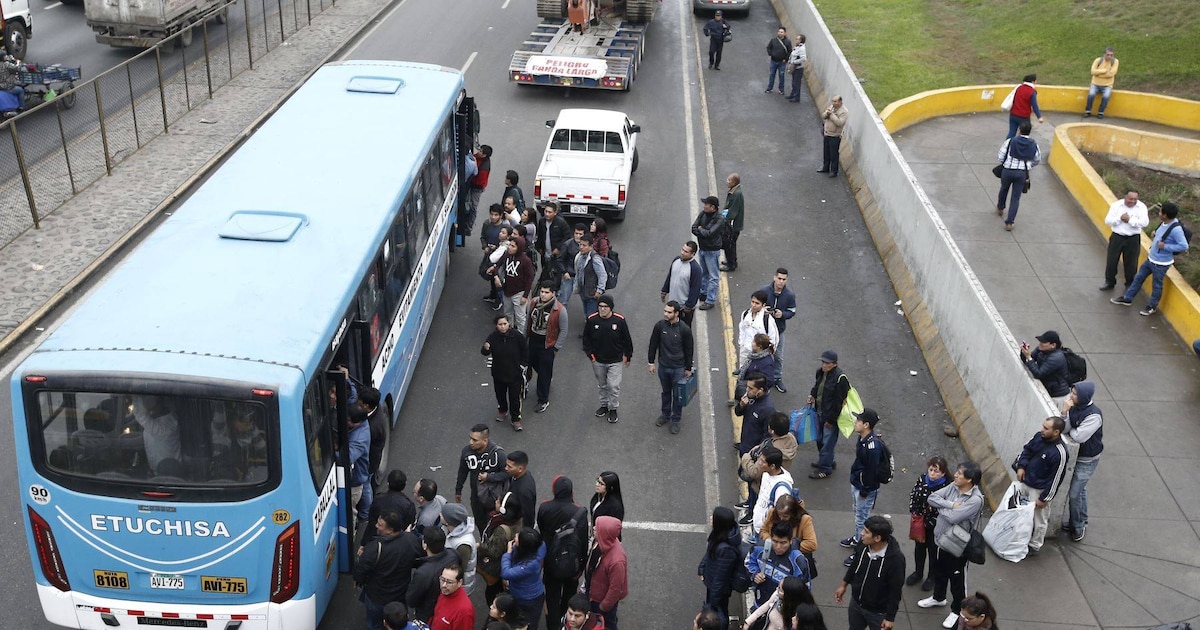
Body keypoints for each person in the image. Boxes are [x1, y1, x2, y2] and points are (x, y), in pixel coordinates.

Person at [920, 462, 985, 629]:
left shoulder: (975, 499)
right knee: (939, 571)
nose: (955, 475)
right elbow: (932, 498)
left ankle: (957, 610)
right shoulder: (953, 487)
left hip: (957, 546)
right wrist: (950, 505)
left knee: (957, 579)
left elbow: (953, 518)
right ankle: (938, 597)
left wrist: (942, 508)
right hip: (940, 540)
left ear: (970, 480)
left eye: (960, 474)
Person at [1111, 201, 1190, 316]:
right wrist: (1156, 234)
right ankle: (1127, 298)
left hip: (1161, 264)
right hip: (1151, 259)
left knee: (1157, 285)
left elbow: (1184, 245)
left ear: (1165, 215)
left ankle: (1151, 306)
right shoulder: (1163, 223)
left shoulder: (1176, 229)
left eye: (1160, 212)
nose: (1159, 213)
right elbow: (1162, 235)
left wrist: (1166, 247)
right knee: (1138, 278)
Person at [355, 510, 425, 630]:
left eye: (380, 525)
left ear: (390, 530)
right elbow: (421, 559)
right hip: (399, 595)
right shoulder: (411, 540)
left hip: (376, 598)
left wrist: (358, 580)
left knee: (373, 625)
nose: (376, 526)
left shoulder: (374, 548)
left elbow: (361, 569)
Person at [834, 515, 905, 630]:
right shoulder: (863, 545)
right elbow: (854, 565)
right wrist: (843, 585)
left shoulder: (896, 560)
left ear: (877, 538)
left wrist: (890, 618)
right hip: (856, 604)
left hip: (878, 613)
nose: (861, 533)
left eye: (866, 532)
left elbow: (895, 590)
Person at [537, 476, 589, 630]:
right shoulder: (578, 511)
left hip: (551, 560)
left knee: (552, 597)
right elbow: (583, 541)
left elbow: (542, 530)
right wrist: (581, 566)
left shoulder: (545, 507)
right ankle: (565, 622)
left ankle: (553, 626)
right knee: (568, 594)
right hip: (572, 562)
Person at [1014, 417, 1070, 554]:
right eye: (1043, 426)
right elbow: (1026, 450)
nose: (1042, 430)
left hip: (1038, 490)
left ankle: (1034, 545)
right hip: (1026, 482)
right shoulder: (1039, 437)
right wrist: (1021, 467)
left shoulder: (1060, 453)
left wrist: (1044, 498)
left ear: (1056, 432)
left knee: (1039, 519)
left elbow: (1056, 478)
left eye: (1046, 428)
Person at [841, 409, 884, 567]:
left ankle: (860, 550)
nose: (855, 422)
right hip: (858, 484)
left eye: (858, 420)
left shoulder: (872, 447)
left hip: (864, 489)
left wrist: (865, 491)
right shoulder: (862, 439)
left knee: (862, 519)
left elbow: (872, 472)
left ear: (866, 425)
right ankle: (858, 539)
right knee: (857, 513)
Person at [1061, 381, 1103, 542]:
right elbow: (1065, 428)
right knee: (1080, 491)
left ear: (1084, 396)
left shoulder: (1094, 416)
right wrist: (1065, 412)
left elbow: (1079, 436)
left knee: (1074, 494)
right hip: (1077, 457)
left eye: (1075, 394)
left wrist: (1071, 427)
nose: (1071, 396)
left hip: (1087, 460)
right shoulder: (1072, 406)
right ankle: (1079, 520)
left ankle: (1078, 527)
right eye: (1072, 392)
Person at [582, 294, 634, 424]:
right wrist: (591, 356)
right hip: (598, 360)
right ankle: (604, 405)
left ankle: (613, 408)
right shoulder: (592, 320)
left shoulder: (619, 320)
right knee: (602, 385)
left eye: (605, 307)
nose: (602, 309)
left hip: (615, 360)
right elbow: (586, 340)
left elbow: (627, 340)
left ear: (611, 308)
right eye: (600, 306)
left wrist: (628, 355)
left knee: (613, 385)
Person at [648, 301, 694, 434]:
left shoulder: (684, 329)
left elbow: (689, 349)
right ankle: (665, 415)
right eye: (665, 311)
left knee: (677, 395)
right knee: (666, 392)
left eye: (669, 312)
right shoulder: (659, 326)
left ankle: (675, 420)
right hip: (664, 367)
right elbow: (653, 344)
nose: (665, 314)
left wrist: (688, 368)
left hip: (678, 368)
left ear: (676, 313)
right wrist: (651, 362)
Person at [905, 457, 951, 591]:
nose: (932, 474)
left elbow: (946, 508)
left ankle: (932, 577)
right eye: (931, 470)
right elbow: (913, 494)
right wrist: (914, 512)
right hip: (920, 521)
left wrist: (932, 521)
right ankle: (918, 572)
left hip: (936, 526)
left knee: (933, 551)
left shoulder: (947, 487)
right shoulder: (922, 478)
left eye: (936, 471)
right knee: (919, 548)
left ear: (943, 473)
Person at [735, 374, 777, 510]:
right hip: (744, 446)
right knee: (747, 479)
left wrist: (757, 454)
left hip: (754, 453)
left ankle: (753, 510)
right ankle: (749, 502)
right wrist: (741, 405)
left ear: (761, 390)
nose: (747, 390)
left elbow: (767, 437)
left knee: (754, 483)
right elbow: (738, 412)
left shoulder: (768, 409)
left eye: (751, 388)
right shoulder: (750, 399)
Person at [746, 521, 811, 608]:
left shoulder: (798, 561)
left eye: (783, 543)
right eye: (775, 541)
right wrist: (755, 574)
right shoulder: (759, 549)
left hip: (782, 612)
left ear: (790, 541)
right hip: (760, 605)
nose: (778, 547)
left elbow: (804, 590)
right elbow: (748, 562)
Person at [526, 281, 568, 414]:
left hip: (547, 344)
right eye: (542, 292)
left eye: (546, 292)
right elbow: (528, 320)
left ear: (553, 294)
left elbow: (564, 330)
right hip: (533, 340)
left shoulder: (559, 310)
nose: (543, 295)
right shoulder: (533, 303)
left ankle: (543, 399)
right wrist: (524, 338)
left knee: (544, 372)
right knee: (528, 364)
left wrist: (556, 348)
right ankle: (526, 385)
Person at [455, 424, 508, 531]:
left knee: (495, 524)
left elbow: (507, 474)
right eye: (470, 438)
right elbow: (462, 471)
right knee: (480, 524)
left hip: (494, 497)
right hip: (476, 497)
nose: (471, 442)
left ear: (485, 440)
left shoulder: (499, 454)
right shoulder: (466, 452)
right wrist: (458, 490)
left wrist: (489, 477)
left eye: (475, 440)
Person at [807, 350, 850, 479]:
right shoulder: (820, 372)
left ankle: (825, 469)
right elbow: (817, 387)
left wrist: (831, 420)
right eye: (823, 362)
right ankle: (827, 461)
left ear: (834, 364)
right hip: (819, 412)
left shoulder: (840, 379)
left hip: (830, 417)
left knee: (827, 443)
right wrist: (812, 396)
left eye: (827, 363)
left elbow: (838, 403)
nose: (824, 365)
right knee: (820, 439)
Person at [483, 314, 528, 431]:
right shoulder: (492, 337)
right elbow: (484, 352)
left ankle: (515, 419)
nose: (503, 327)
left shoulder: (517, 336)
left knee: (514, 397)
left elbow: (525, 350)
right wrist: (485, 348)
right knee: (500, 394)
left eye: (505, 324)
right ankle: (503, 410)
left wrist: (522, 365)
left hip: (514, 374)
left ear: (509, 324)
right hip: (498, 373)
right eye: (500, 324)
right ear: (496, 326)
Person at [699, 506, 741, 630]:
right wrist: (702, 568)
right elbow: (709, 553)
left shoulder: (727, 551)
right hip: (713, 585)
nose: (711, 518)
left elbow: (720, 578)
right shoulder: (719, 537)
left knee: (719, 614)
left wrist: (713, 602)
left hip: (719, 590)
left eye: (714, 517)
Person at [995, 121, 1041, 231]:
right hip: (1022, 173)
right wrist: (1029, 165)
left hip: (1008, 170)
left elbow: (1001, 156)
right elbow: (1037, 159)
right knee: (1015, 197)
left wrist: (1005, 162)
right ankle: (1009, 222)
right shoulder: (1034, 144)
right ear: (1029, 132)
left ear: (1019, 130)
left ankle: (1001, 207)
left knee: (1004, 189)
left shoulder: (1010, 141)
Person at [1100, 190, 1150, 291]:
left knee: (1131, 263)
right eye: (1130, 199)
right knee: (1112, 261)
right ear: (1125, 197)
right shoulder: (1117, 205)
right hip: (1117, 237)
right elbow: (1108, 221)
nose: (1132, 201)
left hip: (1133, 238)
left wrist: (1130, 220)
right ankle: (1109, 282)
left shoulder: (1141, 207)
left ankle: (1130, 284)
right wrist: (1120, 218)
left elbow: (1144, 222)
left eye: (1135, 199)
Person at [757, 492, 817, 577]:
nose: (781, 518)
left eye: (785, 516)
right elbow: (764, 530)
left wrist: (787, 547)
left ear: (793, 513)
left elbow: (812, 544)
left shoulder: (805, 520)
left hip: (792, 563)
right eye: (779, 515)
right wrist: (772, 542)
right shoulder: (772, 513)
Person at [406, 527, 458, 624]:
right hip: (445, 605)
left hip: (426, 613)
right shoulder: (453, 554)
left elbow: (411, 600)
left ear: (425, 545)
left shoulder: (423, 573)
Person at [585, 516, 628, 630]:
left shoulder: (617, 561)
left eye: (597, 528)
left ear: (604, 533)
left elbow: (616, 589)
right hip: (594, 593)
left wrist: (603, 606)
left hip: (601, 600)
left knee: (608, 624)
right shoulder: (601, 541)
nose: (593, 528)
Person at [501, 528, 548, 630]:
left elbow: (506, 573)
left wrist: (508, 553)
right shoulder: (539, 545)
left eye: (519, 537)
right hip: (526, 594)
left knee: (528, 625)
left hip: (528, 600)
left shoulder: (530, 565)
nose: (516, 535)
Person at [761, 269, 797, 392]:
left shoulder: (789, 295)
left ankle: (777, 378)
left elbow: (792, 311)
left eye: (784, 279)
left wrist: (782, 314)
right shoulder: (764, 291)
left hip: (779, 331)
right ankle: (761, 378)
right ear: (774, 277)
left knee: (778, 356)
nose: (781, 282)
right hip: (764, 331)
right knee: (760, 355)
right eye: (779, 278)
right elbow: (755, 305)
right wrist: (763, 310)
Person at [364, 469, 418, 544]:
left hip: (378, 538)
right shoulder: (408, 505)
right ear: (404, 485)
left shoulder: (378, 499)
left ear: (388, 484)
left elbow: (371, 522)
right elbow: (409, 524)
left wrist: (364, 542)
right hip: (397, 541)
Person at [691, 196, 726, 310]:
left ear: (713, 207)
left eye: (706, 204)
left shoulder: (719, 219)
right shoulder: (703, 214)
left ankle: (710, 300)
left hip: (712, 250)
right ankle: (703, 293)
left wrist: (701, 230)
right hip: (703, 248)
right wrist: (702, 231)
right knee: (704, 273)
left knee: (713, 276)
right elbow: (694, 227)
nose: (704, 206)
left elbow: (710, 234)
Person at [1018, 330, 1070, 406]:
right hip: (1048, 390)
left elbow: (1038, 373)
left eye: (1043, 342)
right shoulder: (1041, 349)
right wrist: (1024, 353)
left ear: (1053, 345)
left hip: (1057, 396)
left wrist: (1028, 357)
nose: (1040, 344)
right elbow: (1029, 361)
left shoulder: (1056, 358)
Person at [132, 396, 181, 476]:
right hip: (155, 473)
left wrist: (134, 394)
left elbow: (140, 415)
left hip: (168, 475)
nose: (149, 412)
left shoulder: (167, 426)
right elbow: (145, 439)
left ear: (160, 405)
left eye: (151, 408)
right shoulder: (156, 421)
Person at [495, 237, 535, 335]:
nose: (510, 248)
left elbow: (529, 278)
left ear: (519, 247)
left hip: (519, 293)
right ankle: (509, 334)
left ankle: (521, 337)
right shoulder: (507, 255)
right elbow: (497, 265)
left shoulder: (526, 261)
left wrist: (525, 296)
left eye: (513, 246)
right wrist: (496, 276)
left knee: (520, 317)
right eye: (509, 245)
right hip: (507, 291)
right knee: (507, 314)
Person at [744, 576, 815, 630]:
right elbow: (765, 606)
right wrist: (748, 622)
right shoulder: (777, 596)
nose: (777, 590)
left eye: (780, 589)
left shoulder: (801, 614)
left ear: (788, 594)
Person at [736, 290, 779, 375]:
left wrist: (770, 352)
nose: (754, 305)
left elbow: (774, 337)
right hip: (746, 349)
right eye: (753, 302)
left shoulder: (767, 320)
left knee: (756, 374)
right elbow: (742, 329)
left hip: (759, 352)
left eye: (757, 303)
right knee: (743, 369)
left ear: (763, 305)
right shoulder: (745, 314)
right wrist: (741, 343)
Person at [661, 241, 703, 326]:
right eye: (682, 250)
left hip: (683, 307)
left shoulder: (695, 269)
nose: (682, 253)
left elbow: (695, 289)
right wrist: (664, 290)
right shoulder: (676, 260)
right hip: (672, 305)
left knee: (683, 330)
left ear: (693, 254)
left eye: (686, 251)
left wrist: (689, 306)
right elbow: (670, 276)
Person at [750, 444, 792, 532]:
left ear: (772, 466)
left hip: (766, 531)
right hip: (759, 526)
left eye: (762, 461)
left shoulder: (782, 490)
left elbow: (780, 516)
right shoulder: (766, 473)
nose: (759, 463)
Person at [440, 503, 477, 595]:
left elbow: (459, 570)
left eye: (442, 514)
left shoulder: (463, 545)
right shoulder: (449, 528)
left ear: (448, 521)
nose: (439, 514)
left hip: (458, 587)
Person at [730, 334, 775, 404]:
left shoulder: (767, 363)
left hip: (752, 388)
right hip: (746, 382)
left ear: (760, 346)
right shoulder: (755, 355)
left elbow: (770, 381)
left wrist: (758, 389)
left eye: (754, 342)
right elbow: (748, 365)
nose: (752, 343)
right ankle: (737, 401)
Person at [348, 404, 374, 523]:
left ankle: (359, 520)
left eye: (349, 420)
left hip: (355, 480)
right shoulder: (361, 426)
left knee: (351, 511)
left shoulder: (359, 438)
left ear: (357, 422)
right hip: (359, 474)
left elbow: (348, 458)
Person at [574, 235, 608, 320]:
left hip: (592, 293)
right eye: (580, 244)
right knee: (586, 312)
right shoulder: (580, 256)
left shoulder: (595, 259)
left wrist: (599, 290)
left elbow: (602, 275)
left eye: (584, 245)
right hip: (583, 290)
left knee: (591, 315)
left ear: (591, 246)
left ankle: (592, 332)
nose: (581, 247)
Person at [358, 387, 387, 491]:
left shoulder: (372, 427)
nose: (357, 406)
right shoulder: (375, 407)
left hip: (370, 462)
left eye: (360, 404)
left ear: (366, 406)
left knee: (365, 485)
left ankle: (367, 506)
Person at [430, 564, 474, 630]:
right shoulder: (447, 591)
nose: (444, 585)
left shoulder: (464, 611)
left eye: (449, 582)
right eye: (442, 579)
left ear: (459, 583)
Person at [463, 145, 493, 237]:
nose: (478, 152)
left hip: (477, 188)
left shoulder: (484, 168)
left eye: (480, 151)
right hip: (471, 184)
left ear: (484, 155)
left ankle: (469, 227)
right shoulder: (478, 157)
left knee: (473, 207)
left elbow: (479, 181)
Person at [537, 202, 571, 282]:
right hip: (545, 253)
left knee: (555, 274)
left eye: (550, 212)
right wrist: (539, 247)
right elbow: (540, 235)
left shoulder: (561, 223)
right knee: (545, 273)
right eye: (546, 211)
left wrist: (558, 248)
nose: (547, 214)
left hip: (556, 255)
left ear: (555, 213)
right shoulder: (542, 221)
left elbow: (567, 236)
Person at [504, 450, 538, 529]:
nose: (506, 468)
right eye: (506, 465)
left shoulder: (524, 491)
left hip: (516, 522)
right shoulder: (520, 475)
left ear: (520, 469)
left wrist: (525, 533)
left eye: (509, 467)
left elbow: (528, 514)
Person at [556, 223, 586, 305]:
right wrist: (564, 272)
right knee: (563, 300)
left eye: (580, 234)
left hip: (582, 277)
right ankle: (560, 317)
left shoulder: (588, 246)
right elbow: (559, 259)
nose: (578, 236)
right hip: (569, 276)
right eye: (576, 233)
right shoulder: (567, 244)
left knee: (586, 300)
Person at [1006, 74, 1044, 139]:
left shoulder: (1019, 88)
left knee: (1011, 133)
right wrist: (1039, 117)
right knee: (1024, 136)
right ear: (1032, 82)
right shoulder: (1032, 92)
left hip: (1013, 114)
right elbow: (1034, 105)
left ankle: (1007, 146)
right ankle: (1021, 147)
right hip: (1024, 117)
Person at [817, 96, 847, 178]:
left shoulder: (843, 112)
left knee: (834, 154)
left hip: (835, 136)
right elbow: (824, 116)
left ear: (840, 102)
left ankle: (834, 171)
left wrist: (832, 115)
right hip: (827, 133)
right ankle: (825, 167)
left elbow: (840, 123)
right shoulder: (831, 107)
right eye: (833, 101)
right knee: (826, 152)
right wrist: (827, 113)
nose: (833, 103)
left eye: (835, 101)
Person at [1084, 47, 1119, 118]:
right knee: (1091, 95)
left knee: (1106, 97)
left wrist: (1098, 74)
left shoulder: (1115, 62)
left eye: (1111, 55)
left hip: (1107, 85)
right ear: (1104, 54)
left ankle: (1101, 112)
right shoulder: (1098, 60)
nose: (1109, 57)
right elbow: (1092, 71)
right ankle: (1088, 111)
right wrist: (1105, 71)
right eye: (1108, 55)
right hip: (1095, 83)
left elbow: (1111, 74)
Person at [720, 173, 744, 272]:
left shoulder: (736, 194)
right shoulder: (734, 191)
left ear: (734, 182)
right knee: (731, 244)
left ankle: (731, 264)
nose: (727, 182)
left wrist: (724, 221)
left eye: (729, 180)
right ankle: (732, 261)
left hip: (733, 225)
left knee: (729, 244)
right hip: (732, 224)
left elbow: (732, 211)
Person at [765, 26, 792, 94]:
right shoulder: (773, 40)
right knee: (772, 75)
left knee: (781, 76)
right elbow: (768, 48)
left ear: (784, 33)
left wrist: (785, 59)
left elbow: (789, 52)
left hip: (782, 62)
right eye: (779, 32)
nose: (779, 33)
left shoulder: (788, 42)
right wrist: (771, 54)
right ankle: (769, 88)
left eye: (781, 32)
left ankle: (781, 90)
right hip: (773, 61)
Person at [786, 35, 807, 102]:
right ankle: (793, 94)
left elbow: (803, 59)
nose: (796, 40)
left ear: (801, 40)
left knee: (796, 83)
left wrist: (794, 62)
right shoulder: (797, 47)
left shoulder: (801, 49)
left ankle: (796, 97)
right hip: (795, 68)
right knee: (794, 82)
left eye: (797, 39)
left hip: (798, 68)